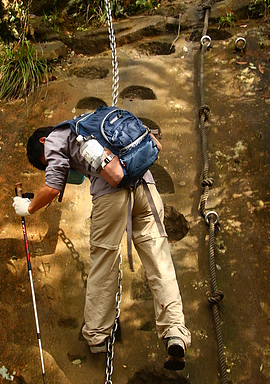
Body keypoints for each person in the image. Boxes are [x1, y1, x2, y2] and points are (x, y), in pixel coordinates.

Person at [13, 118, 191, 370]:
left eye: (46, 160)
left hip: (111, 194)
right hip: (146, 187)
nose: (51, 163)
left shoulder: (54, 138)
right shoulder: (93, 124)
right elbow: (70, 176)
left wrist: (28, 208)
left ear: (43, 140)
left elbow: (53, 187)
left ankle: (97, 334)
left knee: (104, 263)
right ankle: (175, 333)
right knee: (160, 262)